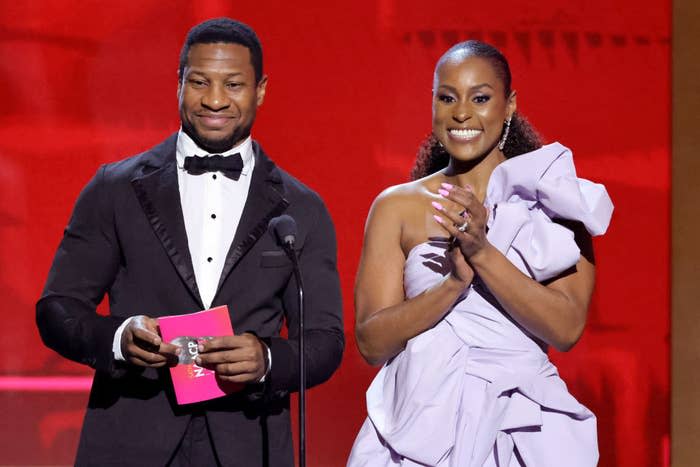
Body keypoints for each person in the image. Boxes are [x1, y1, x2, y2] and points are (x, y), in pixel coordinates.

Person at [36, 17, 344, 467]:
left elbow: (325, 340)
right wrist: (120, 338)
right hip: (131, 437)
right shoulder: (114, 189)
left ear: (260, 90)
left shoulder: (301, 207)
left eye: (233, 84)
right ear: (179, 83)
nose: (215, 100)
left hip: (248, 441)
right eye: (199, 82)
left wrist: (266, 360)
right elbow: (57, 309)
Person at [347, 40, 612, 466]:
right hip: (417, 429)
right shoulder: (396, 206)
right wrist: (452, 286)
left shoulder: (555, 202)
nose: (462, 113)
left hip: (518, 430)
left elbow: (566, 329)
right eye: (447, 97)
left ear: (509, 106)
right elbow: (371, 341)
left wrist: (481, 251)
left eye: (481, 98)